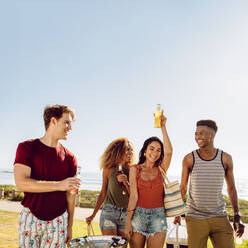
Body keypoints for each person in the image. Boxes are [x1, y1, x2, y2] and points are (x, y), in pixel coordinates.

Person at [14, 104, 81, 248]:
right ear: (53, 121)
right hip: (30, 217)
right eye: (67, 122)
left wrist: (69, 227)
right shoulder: (26, 148)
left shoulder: (70, 158)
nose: (70, 127)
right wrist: (59, 185)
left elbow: (71, 196)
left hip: (59, 221)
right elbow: (21, 183)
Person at [174, 119, 245, 248]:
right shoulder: (189, 158)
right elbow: (183, 188)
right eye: (196, 133)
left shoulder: (225, 158)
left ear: (211, 136)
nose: (197, 137)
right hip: (195, 217)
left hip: (219, 216)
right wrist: (178, 213)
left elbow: (232, 188)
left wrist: (236, 214)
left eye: (201, 133)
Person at [125, 111, 173, 248]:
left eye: (159, 150)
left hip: (158, 216)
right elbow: (133, 196)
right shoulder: (135, 169)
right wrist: (128, 222)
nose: (155, 152)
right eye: (152, 148)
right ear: (145, 151)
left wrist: (163, 126)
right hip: (138, 215)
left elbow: (169, 152)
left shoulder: (161, 169)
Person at [86, 138, 135, 237]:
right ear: (119, 151)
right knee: (110, 244)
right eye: (127, 149)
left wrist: (126, 183)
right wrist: (93, 215)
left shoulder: (133, 170)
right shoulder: (108, 169)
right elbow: (103, 193)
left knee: (122, 245)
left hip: (127, 214)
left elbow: (135, 195)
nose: (130, 152)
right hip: (109, 212)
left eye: (131, 149)